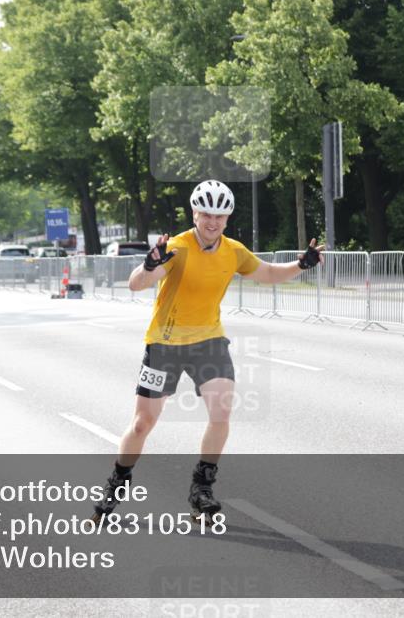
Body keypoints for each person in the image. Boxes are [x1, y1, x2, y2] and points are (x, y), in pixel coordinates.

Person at [90, 179, 324, 525]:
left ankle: (201, 489)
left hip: (208, 342)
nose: (212, 222)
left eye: (220, 216)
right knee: (142, 424)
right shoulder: (178, 247)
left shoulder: (234, 251)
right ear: (194, 214)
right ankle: (116, 485)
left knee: (221, 411)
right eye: (206, 214)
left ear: (227, 218)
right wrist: (150, 265)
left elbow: (268, 273)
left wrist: (301, 264)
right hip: (165, 343)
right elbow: (136, 284)